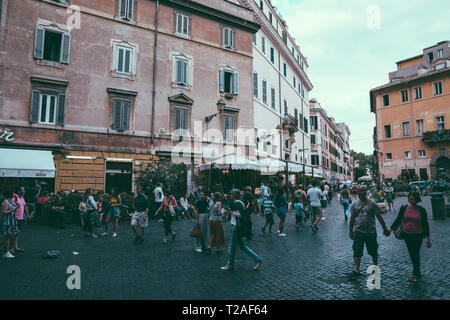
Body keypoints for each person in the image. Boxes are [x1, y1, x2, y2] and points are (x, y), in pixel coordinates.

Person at [389, 191, 431, 282]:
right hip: (407, 234)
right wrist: (390, 229)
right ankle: (417, 270)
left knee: (415, 253)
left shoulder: (422, 210)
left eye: (414, 199)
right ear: (408, 199)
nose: (413, 201)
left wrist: (428, 238)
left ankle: (414, 274)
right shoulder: (404, 208)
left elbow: (425, 224)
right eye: (411, 199)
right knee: (412, 253)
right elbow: (398, 219)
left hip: (418, 235)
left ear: (417, 200)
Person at [349, 186, 390, 277]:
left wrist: (384, 228)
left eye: (364, 190)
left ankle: (375, 266)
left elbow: (379, 217)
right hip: (358, 231)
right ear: (357, 192)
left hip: (370, 232)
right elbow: (352, 219)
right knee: (357, 250)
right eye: (361, 190)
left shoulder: (372, 204)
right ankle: (356, 269)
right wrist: (350, 231)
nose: (363, 192)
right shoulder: (354, 204)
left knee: (373, 250)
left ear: (366, 192)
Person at [221, 189, 262, 271]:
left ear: (235, 195)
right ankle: (257, 259)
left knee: (232, 246)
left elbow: (240, 215)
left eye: (231, 194)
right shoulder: (239, 203)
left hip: (236, 226)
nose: (230, 195)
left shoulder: (238, 203)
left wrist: (230, 212)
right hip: (237, 226)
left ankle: (230, 264)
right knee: (242, 246)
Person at [11, 187, 30, 253]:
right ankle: (11, 248)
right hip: (15, 218)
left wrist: (27, 215)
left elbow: (24, 207)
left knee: (17, 233)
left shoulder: (22, 198)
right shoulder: (14, 199)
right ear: (19, 191)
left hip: (21, 218)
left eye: (24, 190)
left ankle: (15, 247)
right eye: (23, 190)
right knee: (13, 233)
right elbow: (10, 208)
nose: (24, 191)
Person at [1, 191, 19, 258]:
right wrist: (14, 209)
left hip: (12, 222)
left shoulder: (10, 201)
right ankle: (6, 252)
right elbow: (3, 212)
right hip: (7, 222)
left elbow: (16, 201)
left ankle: (8, 250)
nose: (14, 195)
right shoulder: (5, 202)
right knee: (7, 237)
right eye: (12, 194)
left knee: (12, 236)